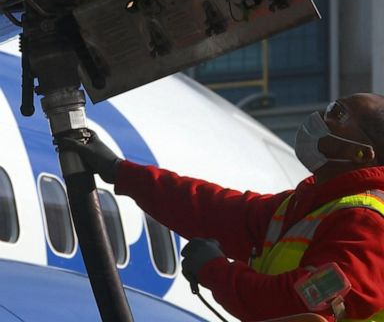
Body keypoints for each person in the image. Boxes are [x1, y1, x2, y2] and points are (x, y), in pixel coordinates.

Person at [60, 93, 384, 322]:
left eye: (338, 115)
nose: (321, 118)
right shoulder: (306, 205)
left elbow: (299, 302)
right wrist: (120, 171)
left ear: (362, 154)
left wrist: (215, 271)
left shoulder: (366, 220)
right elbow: (212, 209)